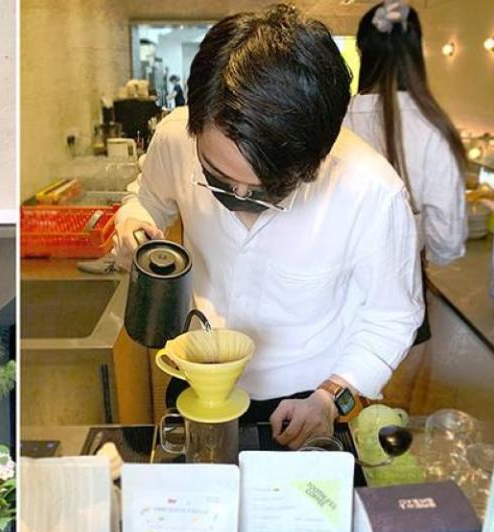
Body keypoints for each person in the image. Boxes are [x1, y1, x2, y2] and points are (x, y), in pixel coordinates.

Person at [114, 5, 423, 449]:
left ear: (318, 152)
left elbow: (391, 316)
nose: (239, 197)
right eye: (218, 178)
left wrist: (330, 397)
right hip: (196, 376)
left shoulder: (371, 191)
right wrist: (133, 223)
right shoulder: (174, 137)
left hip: (305, 397)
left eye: (268, 189)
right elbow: (145, 198)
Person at [343, 0, 467, 344]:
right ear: (417, 53)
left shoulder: (337, 120)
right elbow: (448, 240)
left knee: (340, 391)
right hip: (401, 291)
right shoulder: (431, 127)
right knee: (397, 394)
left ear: (363, 51)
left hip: (334, 293)